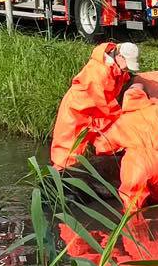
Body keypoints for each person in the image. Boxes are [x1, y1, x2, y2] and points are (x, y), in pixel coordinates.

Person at [50, 42, 140, 171]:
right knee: (67, 155)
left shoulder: (115, 65)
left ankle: (103, 175)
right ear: (120, 56)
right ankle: (61, 181)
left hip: (96, 112)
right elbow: (106, 105)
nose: (127, 69)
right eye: (128, 65)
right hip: (76, 112)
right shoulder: (98, 72)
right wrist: (125, 120)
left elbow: (118, 81)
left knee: (108, 144)